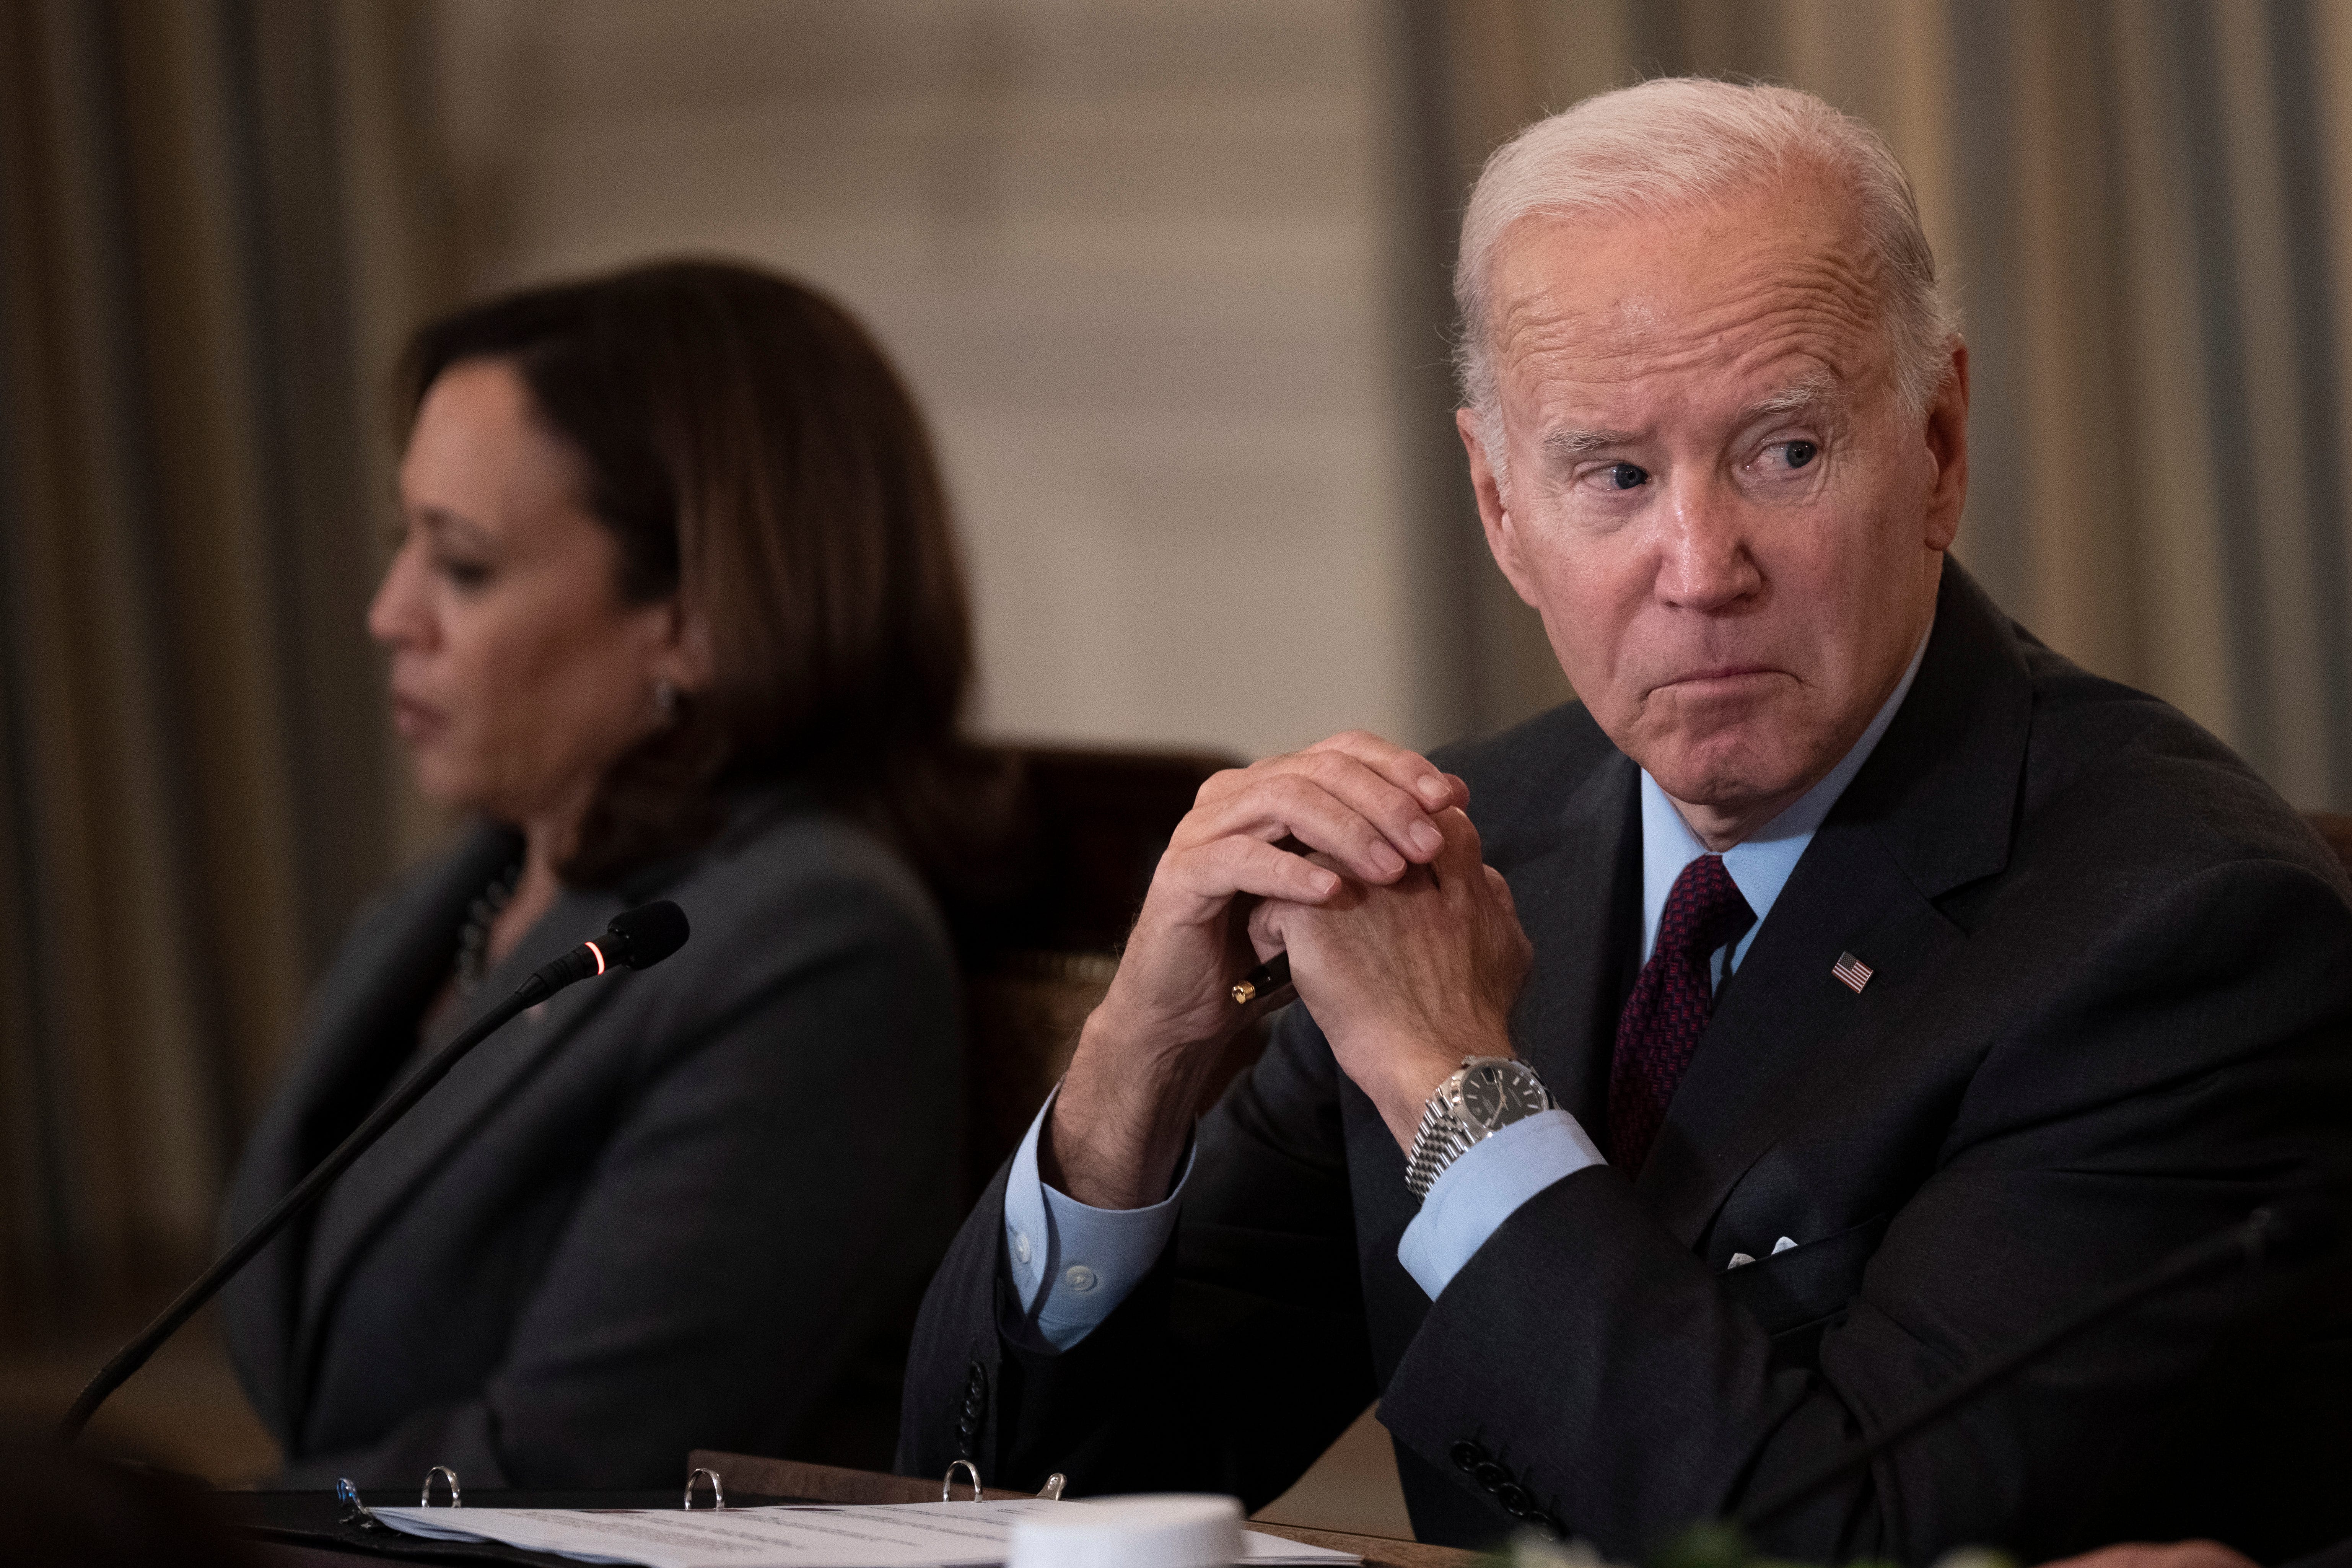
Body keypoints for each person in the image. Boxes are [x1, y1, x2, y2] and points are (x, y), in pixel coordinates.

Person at [897, 79, 2352, 1562]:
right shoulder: (1467, 847)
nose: (1698, 564)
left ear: (1936, 446)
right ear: (1497, 505)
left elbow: (1841, 1539)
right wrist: (1127, 1076)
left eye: (1782, 450)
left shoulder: (2184, 930)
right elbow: (1021, 1512)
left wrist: (1448, 1082)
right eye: (1613, 473)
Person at [223, 260, 996, 1488]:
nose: (388, 612)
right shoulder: (464, 888)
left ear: (695, 616)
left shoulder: (814, 944)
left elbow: (560, 1465)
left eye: (463, 563)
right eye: (401, 544)